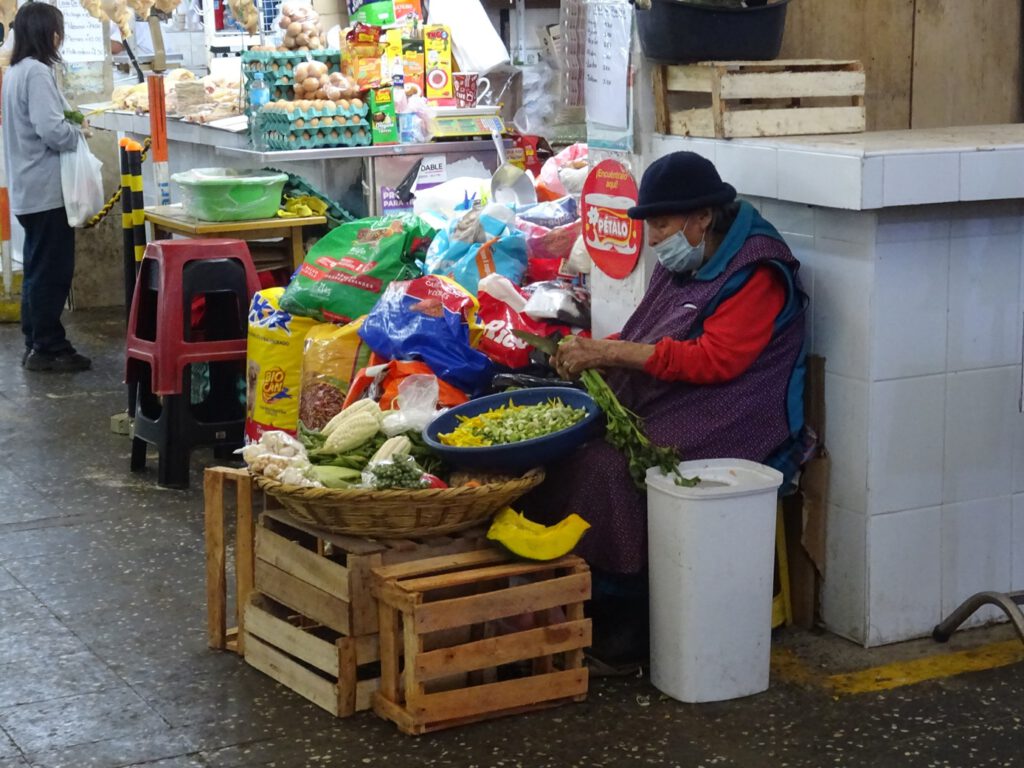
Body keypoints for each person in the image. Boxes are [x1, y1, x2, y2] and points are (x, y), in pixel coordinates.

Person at [528, 151, 808, 663]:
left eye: (660, 225)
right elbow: (647, 334)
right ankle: (565, 598)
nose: (653, 238)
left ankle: (628, 619)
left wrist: (610, 352)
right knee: (573, 442)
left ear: (702, 217)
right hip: (683, 394)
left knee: (613, 467)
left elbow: (715, 361)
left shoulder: (757, 272)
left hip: (744, 411)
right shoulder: (689, 258)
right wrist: (595, 352)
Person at [2, 2, 91, 372]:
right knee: (52, 271)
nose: (60, 37)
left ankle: (35, 341)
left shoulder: (15, 72)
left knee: (39, 270)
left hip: (28, 190)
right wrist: (78, 132)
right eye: (57, 30)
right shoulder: (36, 73)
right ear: (47, 33)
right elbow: (51, 129)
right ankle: (50, 346)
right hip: (45, 191)